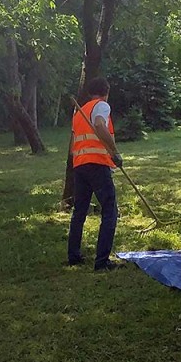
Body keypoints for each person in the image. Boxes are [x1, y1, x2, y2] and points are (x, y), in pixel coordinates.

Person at [67, 77, 125, 271]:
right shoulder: (101, 106)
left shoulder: (79, 113)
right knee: (110, 211)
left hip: (80, 165)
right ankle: (102, 262)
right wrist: (114, 152)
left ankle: (73, 256)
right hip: (97, 165)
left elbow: (72, 146)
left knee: (79, 212)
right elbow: (100, 125)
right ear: (106, 92)